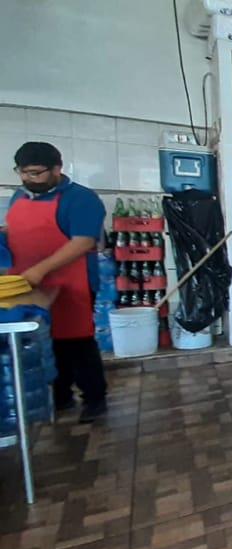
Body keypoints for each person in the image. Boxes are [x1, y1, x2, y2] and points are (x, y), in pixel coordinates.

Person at [7, 142, 107, 422]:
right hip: (26, 283)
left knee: (76, 341)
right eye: (23, 172)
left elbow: (83, 241)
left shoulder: (81, 199)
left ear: (57, 169)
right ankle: (59, 397)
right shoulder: (19, 197)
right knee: (43, 341)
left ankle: (94, 399)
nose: (28, 178)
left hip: (72, 283)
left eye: (36, 173)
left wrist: (40, 270)